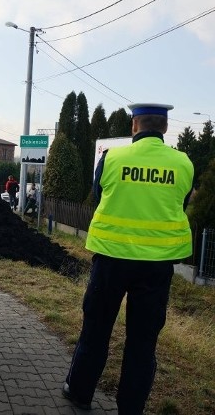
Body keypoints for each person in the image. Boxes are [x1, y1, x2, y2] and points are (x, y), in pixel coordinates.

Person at [63, 103, 194, 414]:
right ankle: (130, 407)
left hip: (111, 258)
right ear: (164, 127)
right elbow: (182, 201)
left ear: (134, 125)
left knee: (95, 328)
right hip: (157, 264)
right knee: (143, 340)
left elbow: (98, 194)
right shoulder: (183, 163)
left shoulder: (113, 157)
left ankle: (80, 393)